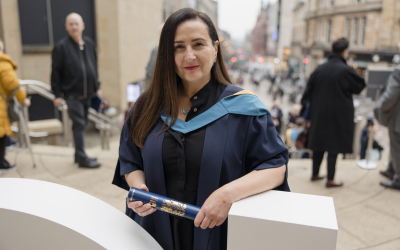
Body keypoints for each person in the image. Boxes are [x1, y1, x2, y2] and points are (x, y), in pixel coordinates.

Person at [112, 8, 289, 250]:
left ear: (215, 49)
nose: (189, 56)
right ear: (167, 54)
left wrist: (227, 194)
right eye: (178, 47)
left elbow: (275, 167)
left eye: (198, 44)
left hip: (218, 236)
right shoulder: (147, 106)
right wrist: (139, 188)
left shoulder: (245, 109)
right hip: (153, 233)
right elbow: (130, 159)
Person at [301, 38, 365, 187]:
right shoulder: (346, 70)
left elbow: (307, 93)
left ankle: (315, 173)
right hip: (339, 115)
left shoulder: (320, 68)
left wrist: (305, 113)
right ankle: (330, 179)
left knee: (318, 144)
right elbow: (359, 86)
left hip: (319, 113)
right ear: (345, 51)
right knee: (333, 146)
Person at [51, 13, 101, 168]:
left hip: (88, 94)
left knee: (83, 123)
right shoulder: (61, 47)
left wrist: (96, 87)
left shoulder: (89, 43)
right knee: (79, 124)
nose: (74, 27)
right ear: (66, 27)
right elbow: (55, 72)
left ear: (82, 26)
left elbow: (94, 67)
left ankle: (79, 156)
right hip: (72, 94)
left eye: (76, 24)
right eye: (71, 24)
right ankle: (82, 158)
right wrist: (57, 94)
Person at [0, 39, 30, 174]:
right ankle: (2, 163)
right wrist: (23, 99)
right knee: (2, 134)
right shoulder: (3, 63)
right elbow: (14, 85)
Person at [374, 45, 400, 190]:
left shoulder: (398, 71)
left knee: (397, 149)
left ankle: (398, 179)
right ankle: (391, 169)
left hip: (398, 120)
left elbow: (390, 96)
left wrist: (378, 109)